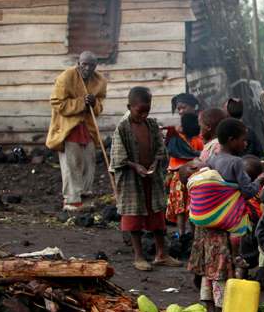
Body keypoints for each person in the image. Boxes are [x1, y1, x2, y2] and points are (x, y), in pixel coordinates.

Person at [186, 118, 264, 312]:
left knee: (209, 266)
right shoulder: (236, 162)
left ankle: (209, 307)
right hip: (227, 222)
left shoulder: (212, 158)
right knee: (224, 266)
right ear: (231, 140)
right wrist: (259, 181)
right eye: (242, 140)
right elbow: (247, 192)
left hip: (208, 223)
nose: (245, 143)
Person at [110, 87, 181, 272]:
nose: (143, 115)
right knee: (134, 217)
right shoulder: (122, 128)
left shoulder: (151, 125)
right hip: (131, 180)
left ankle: (161, 253)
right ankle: (139, 256)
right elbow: (118, 158)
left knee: (156, 214)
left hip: (151, 178)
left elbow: (160, 149)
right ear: (129, 107)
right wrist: (136, 166)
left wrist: (156, 163)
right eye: (139, 111)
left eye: (147, 110)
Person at [46, 51, 107, 211]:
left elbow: (99, 105)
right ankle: (71, 201)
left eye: (91, 65)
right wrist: (81, 103)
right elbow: (57, 103)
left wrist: (94, 103)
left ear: (96, 66)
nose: (87, 68)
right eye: (84, 64)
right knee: (72, 164)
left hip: (88, 128)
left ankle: (85, 196)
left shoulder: (99, 81)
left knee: (89, 163)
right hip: (69, 128)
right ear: (78, 63)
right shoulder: (65, 78)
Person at [165, 113, 203, 236]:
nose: (178, 126)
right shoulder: (195, 141)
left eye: (181, 124)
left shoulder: (177, 140)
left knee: (182, 207)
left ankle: (183, 233)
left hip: (180, 178)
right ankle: (190, 233)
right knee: (191, 206)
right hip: (192, 177)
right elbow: (200, 157)